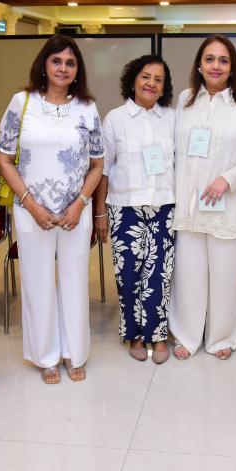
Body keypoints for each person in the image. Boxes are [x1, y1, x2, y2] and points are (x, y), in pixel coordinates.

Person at [0, 34, 104, 384]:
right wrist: (30, 203)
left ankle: (74, 353)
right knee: (37, 282)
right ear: (44, 64)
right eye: (56, 61)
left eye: (70, 63)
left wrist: (80, 203)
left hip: (76, 211)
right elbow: (4, 158)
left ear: (78, 70)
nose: (63, 68)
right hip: (32, 211)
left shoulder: (87, 107)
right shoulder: (22, 102)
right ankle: (46, 356)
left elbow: (98, 164)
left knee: (75, 283)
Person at [169, 35, 236, 361]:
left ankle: (221, 337)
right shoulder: (185, 100)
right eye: (209, 59)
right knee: (188, 276)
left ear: (232, 67)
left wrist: (227, 180)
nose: (216, 66)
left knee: (226, 277)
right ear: (199, 65)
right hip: (189, 206)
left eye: (223, 60)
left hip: (229, 206)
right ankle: (187, 335)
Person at [94, 55, 175, 364]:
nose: (151, 83)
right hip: (124, 208)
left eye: (158, 79)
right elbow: (103, 169)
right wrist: (100, 212)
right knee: (128, 275)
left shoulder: (172, 118)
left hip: (164, 207)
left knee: (159, 276)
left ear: (164, 87)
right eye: (145, 76)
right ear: (133, 80)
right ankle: (135, 335)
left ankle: (159, 334)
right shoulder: (115, 119)